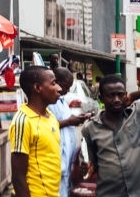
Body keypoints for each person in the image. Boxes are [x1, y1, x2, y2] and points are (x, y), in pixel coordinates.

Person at [80, 76, 140, 197]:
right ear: (101, 98)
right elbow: (89, 166)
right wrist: (87, 168)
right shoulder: (90, 128)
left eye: (120, 95)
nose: (116, 99)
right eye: (111, 95)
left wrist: (133, 96)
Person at [9, 66, 62, 197]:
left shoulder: (51, 116)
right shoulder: (23, 121)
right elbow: (18, 177)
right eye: (53, 83)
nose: (59, 88)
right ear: (37, 88)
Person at [49, 67, 90, 197]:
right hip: (56, 163)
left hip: (67, 162)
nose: (66, 91)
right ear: (57, 82)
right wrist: (69, 122)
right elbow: (46, 126)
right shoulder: (49, 103)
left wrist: (77, 119)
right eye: (66, 86)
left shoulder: (61, 100)